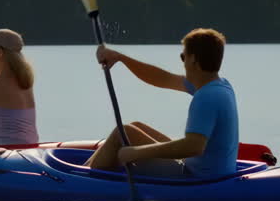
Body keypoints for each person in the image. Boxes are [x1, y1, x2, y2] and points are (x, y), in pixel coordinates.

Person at [84, 27, 238, 179]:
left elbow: (194, 146)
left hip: (196, 177)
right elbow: (162, 78)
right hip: (210, 170)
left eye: (183, 57)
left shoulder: (206, 97)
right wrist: (120, 58)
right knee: (136, 127)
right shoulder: (219, 85)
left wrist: (136, 152)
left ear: (193, 59)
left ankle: (82, 178)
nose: (183, 63)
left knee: (123, 132)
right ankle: (87, 170)